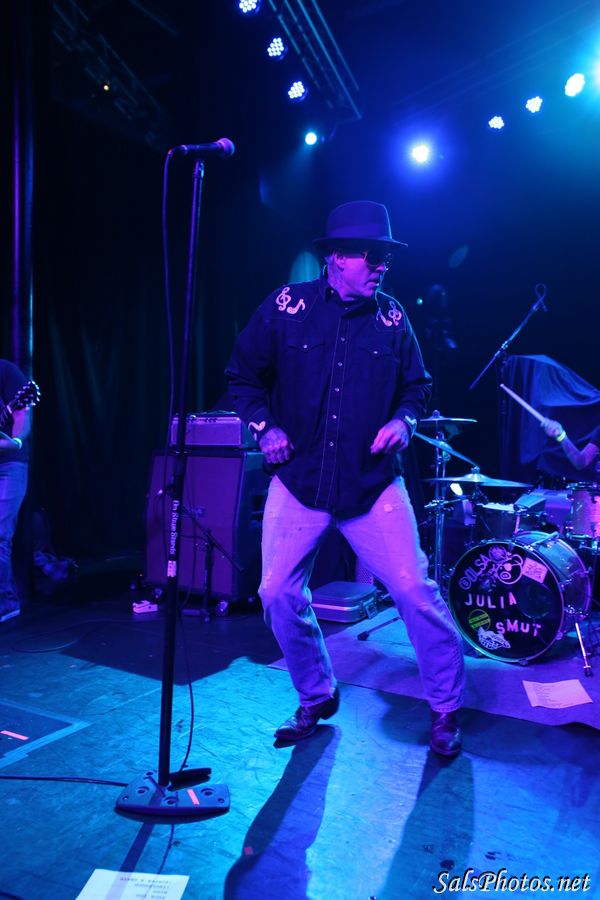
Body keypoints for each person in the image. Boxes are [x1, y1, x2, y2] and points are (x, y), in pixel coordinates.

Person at [225, 201, 465, 756]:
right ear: (336, 257)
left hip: (371, 484)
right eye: (371, 255)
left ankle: (446, 708)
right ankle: (316, 694)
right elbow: (242, 376)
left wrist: (404, 421)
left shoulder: (393, 318)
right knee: (276, 593)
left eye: (386, 257)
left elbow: (418, 386)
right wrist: (264, 428)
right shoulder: (286, 307)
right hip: (300, 479)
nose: (382, 265)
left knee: (413, 590)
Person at [0, 360, 32, 623]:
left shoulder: (6, 371)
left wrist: (17, 441)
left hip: (9, 465)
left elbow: (22, 416)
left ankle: (6, 602)